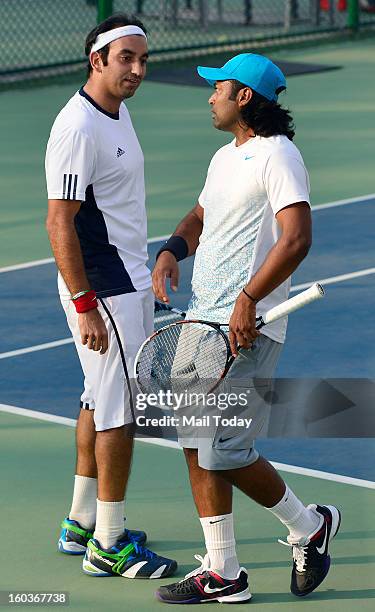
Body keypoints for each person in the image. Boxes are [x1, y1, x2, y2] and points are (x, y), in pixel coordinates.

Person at [152, 54, 341, 603]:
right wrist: (171, 250)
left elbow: (298, 237)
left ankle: (307, 524)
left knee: (227, 450)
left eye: (219, 88)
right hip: (199, 319)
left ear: (244, 98)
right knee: (194, 443)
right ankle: (224, 570)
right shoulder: (223, 157)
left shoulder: (280, 155)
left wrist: (249, 299)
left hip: (246, 328)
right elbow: (200, 215)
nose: (209, 96)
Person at [45, 13, 177, 580]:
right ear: (96, 60)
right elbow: (58, 223)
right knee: (119, 417)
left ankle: (81, 523)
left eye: (143, 59)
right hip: (105, 290)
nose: (137, 69)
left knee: (96, 401)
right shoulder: (79, 128)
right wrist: (84, 302)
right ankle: (110, 543)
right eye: (126, 58)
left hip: (118, 281)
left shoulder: (115, 114)